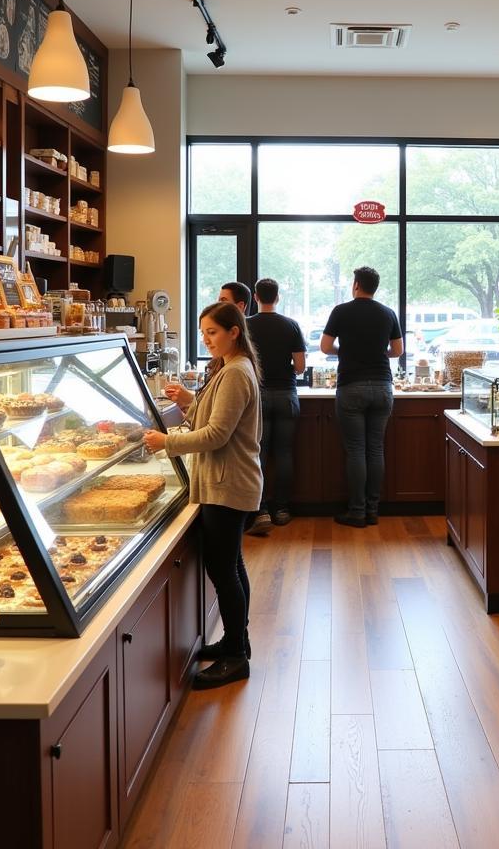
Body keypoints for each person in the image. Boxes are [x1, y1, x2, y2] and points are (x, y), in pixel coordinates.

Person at [144, 301, 262, 690]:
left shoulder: (235, 373)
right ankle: (235, 640)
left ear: (234, 331)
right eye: (203, 333)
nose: (207, 339)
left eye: (213, 332)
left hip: (229, 486)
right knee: (231, 565)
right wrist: (187, 402)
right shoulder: (232, 368)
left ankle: (236, 658)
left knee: (223, 570)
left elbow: (216, 436)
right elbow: (215, 419)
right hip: (228, 483)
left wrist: (167, 441)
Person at [320, 266, 403, 527]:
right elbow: (397, 350)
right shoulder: (388, 313)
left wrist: (346, 352)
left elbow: (324, 346)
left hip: (351, 386)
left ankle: (357, 512)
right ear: (374, 287)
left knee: (356, 449)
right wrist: (377, 352)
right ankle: (373, 510)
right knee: (375, 448)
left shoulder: (341, 311)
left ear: (356, 285)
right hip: (382, 386)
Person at [246, 277, 306, 531]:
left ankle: (259, 510)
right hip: (285, 395)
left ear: (256, 298)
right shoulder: (291, 326)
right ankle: (281, 509)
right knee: (283, 454)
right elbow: (301, 367)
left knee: (257, 454)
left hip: (256, 396)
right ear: (277, 297)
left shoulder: (245, 326)